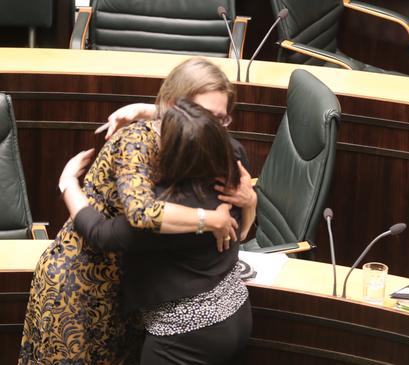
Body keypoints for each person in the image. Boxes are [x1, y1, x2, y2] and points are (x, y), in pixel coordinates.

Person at [19, 57, 256, 364]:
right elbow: (137, 217)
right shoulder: (141, 148)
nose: (214, 129)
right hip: (81, 282)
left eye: (221, 119)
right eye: (206, 117)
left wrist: (249, 203)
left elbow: (246, 226)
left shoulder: (213, 160)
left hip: (133, 289)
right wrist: (67, 183)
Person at [60, 99, 251, 365]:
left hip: (184, 338)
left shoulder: (165, 214)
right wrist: (143, 109)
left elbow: (100, 233)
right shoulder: (233, 178)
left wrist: (68, 184)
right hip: (237, 313)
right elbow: (242, 232)